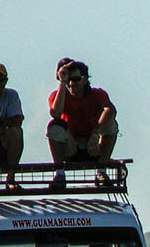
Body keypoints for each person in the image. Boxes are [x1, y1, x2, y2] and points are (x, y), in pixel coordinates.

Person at [47, 58, 119, 189]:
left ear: (85, 79)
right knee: (54, 127)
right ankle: (59, 173)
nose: (71, 84)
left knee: (111, 124)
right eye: (68, 80)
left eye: (76, 79)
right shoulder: (57, 96)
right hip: (71, 147)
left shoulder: (97, 94)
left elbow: (110, 110)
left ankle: (101, 171)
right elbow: (55, 113)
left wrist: (95, 133)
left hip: (94, 147)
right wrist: (62, 82)